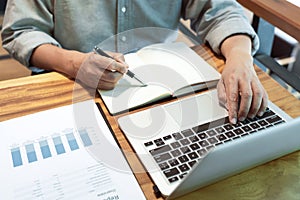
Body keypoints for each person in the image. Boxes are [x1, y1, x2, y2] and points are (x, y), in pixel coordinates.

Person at [1, 0, 267, 124]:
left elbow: (220, 12)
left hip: (165, 93)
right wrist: (75, 63)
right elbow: (20, 31)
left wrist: (240, 58)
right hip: (73, 91)